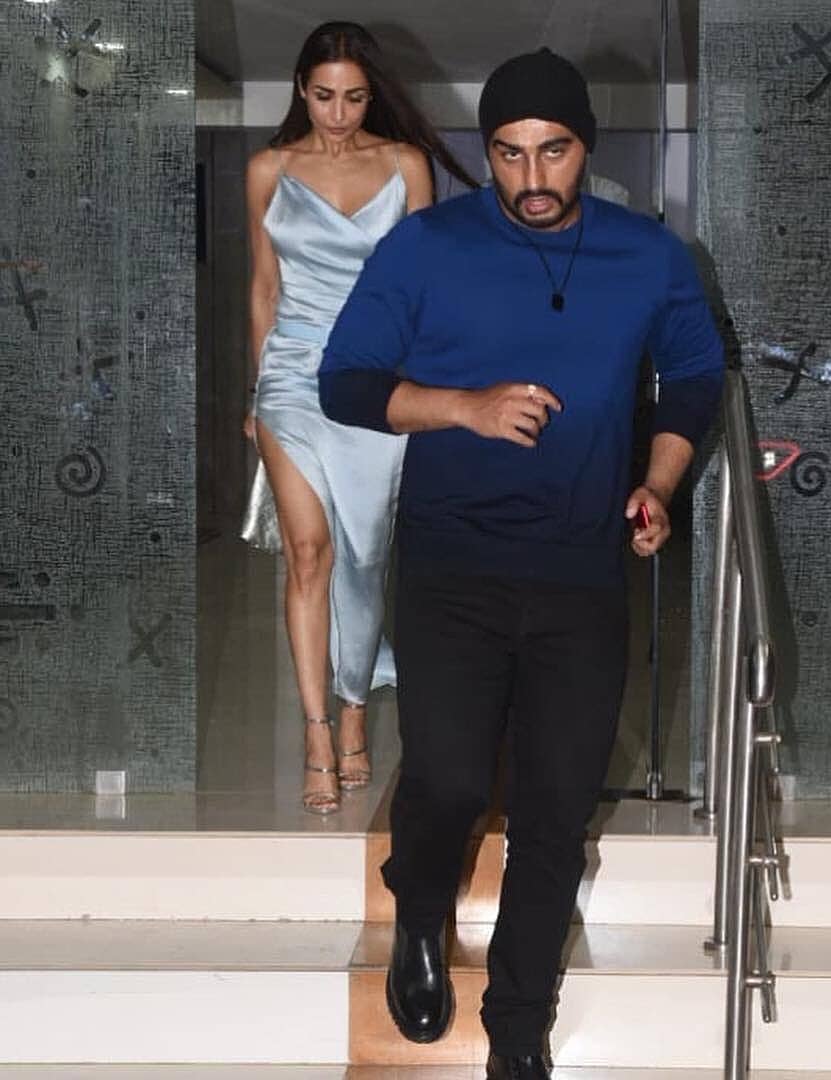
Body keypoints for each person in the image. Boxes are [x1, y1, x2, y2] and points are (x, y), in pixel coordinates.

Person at [319, 47, 724, 1077]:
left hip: (584, 573)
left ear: (587, 146)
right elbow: (345, 382)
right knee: (450, 778)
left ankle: (516, 1029)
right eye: (508, 153)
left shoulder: (648, 255)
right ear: (484, 150)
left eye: (554, 151)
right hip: (452, 566)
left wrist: (658, 485)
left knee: (554, 812)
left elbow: (693, 377)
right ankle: (420, 908)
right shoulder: (427, 247)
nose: (532, 178)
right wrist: (463, 406)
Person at [245, 21, 475, 814]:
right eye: (323, 96)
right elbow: (264, 288)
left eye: (353, 97)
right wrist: (255, 391)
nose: (338, 114)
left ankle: (354, 705)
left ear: (372, 95)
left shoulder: (406, 165)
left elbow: (425, 288)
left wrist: (428, 391)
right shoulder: (269, 169)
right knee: (308, 553)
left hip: (375, 379)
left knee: (367, 557)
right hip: (290, 379)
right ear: (300, 89)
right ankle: (318, 731)